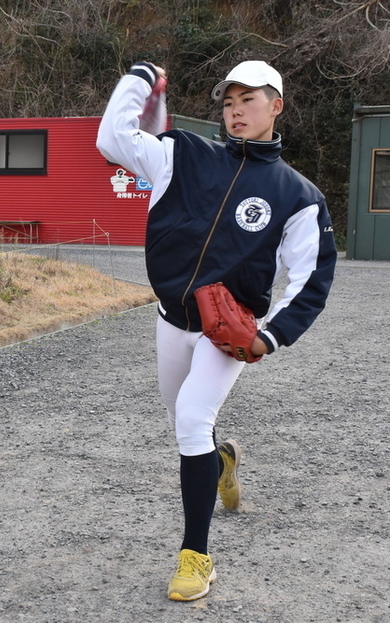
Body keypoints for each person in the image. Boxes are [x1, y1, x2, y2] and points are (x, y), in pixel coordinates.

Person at [96, 60, 336, 600]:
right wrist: (139, 77)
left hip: (224, 333)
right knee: (185, 426)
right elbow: (112, 136)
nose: (235, 111)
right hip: (170, 319)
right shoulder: (182, 153)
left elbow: (312, 278)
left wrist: (268, 336)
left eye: (248, 100)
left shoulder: (297, 195)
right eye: (228, 103)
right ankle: (222, 459)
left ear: (276, 106)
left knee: (189, 421)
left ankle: (196, 556)